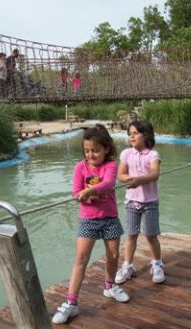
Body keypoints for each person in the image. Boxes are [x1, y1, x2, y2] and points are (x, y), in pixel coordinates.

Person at [52, 125, 130, 324]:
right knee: (81, 258)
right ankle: (71, 302)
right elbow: (75, 192)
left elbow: (108, 183)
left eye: (95, 150)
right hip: (88, 219)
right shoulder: (80, 167)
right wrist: (90, 196)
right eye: (87, 151)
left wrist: (89, 191)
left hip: (110, 217)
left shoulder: (110, 165)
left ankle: (110, 286)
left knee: (113, 254)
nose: (90, 155)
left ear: (106, 148)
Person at [115, 120, 164, 285]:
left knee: (151, 235)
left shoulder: (153, 155)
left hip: (150, 202)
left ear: (146, 135)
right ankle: (127, 265)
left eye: (135, 133)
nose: (132, 136)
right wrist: (130, 179)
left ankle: (157, 263)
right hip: (131, 201)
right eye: (130, 134)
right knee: (131, 235)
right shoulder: (126, 154)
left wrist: (138, 180)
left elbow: (155, 174)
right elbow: (121, 174)